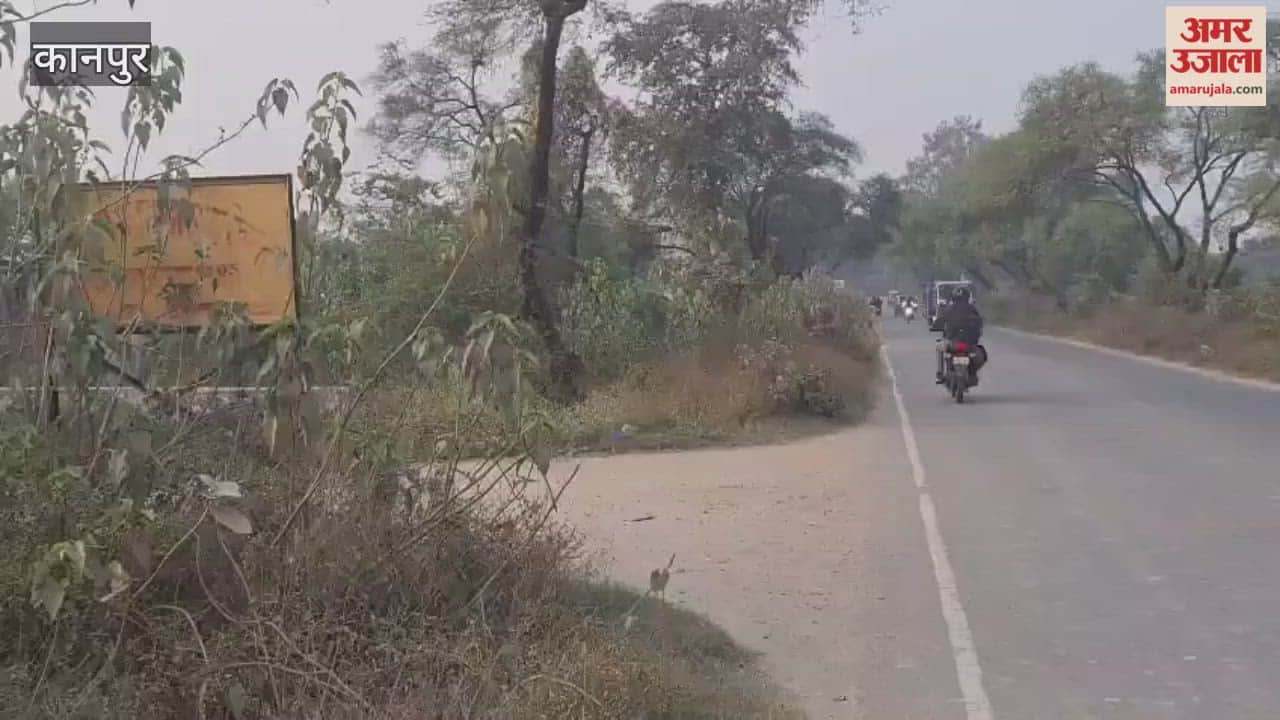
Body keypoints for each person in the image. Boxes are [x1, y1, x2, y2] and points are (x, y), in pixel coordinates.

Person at [936, 286, 984, 384]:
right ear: (967, 297)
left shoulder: (948, 309)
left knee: (939, 348)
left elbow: (939, 322)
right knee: (981, 356)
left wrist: (936, 326)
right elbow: (980, 323)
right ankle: (972, 373)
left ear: (953, 298)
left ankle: (940, 374)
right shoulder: (972, 309)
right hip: (969, 344)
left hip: (952, 342)